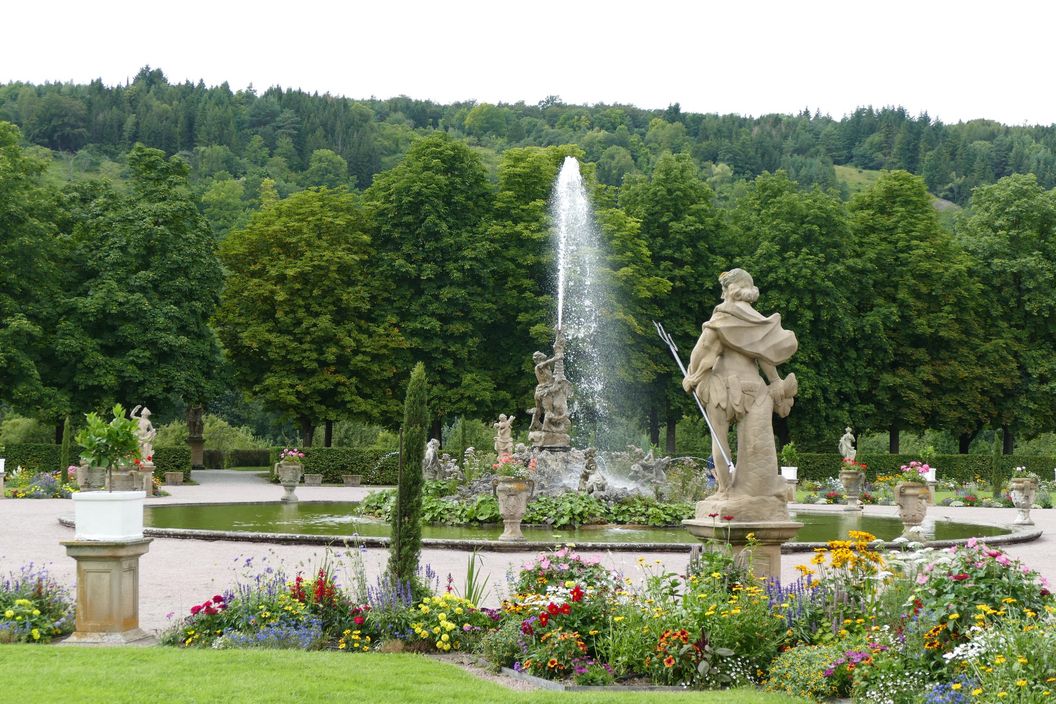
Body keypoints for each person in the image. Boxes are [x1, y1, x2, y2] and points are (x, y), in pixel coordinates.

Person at [682, 269, 798, 502]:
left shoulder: (720, 321)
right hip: (755, 390)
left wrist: (691, 377)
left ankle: (725, 492)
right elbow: (765, 357)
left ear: (728, 291)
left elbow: (705, 354)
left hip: (722, 389)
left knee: (720, 439)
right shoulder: (757, 323)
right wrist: (775, 381)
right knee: (757, 448)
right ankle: (757, 493)